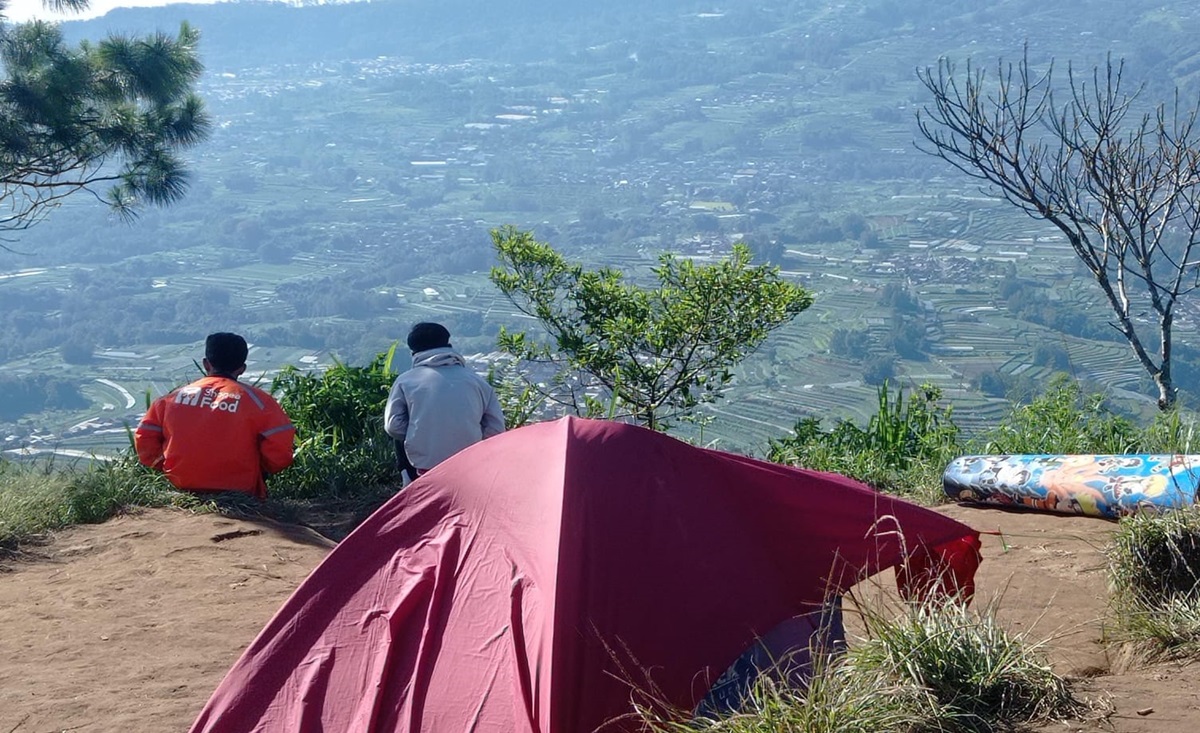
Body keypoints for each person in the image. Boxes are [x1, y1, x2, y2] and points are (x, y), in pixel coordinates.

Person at [135, 332, 295, 499]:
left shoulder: (170, 399)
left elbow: (144, 438)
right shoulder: (261, 402)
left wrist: (166, 467)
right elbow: (280, 451)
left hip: (180, 487)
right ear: (242, 368)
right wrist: (260, 469)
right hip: (240, 492)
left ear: (206, 364)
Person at [385, 322, 506, 478]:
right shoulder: (478, 382)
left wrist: (420, 433)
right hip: (470, 465)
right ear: (449, 345)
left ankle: (407, 483)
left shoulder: (405, 381)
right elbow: (496, 429)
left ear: (413, 353)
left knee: (404, 430)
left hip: (425, 468)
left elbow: (393, 426)